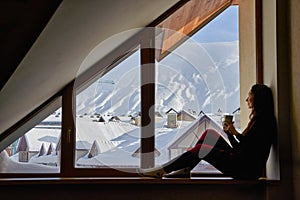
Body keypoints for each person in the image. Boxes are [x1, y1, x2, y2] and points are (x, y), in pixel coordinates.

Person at [137, 84, 277, 180]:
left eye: (250, 95)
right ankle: (186, 169)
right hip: (242, 163)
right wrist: (229, 133)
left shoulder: (264, 123)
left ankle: (161, 170)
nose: (247, 99)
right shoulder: (258, 121)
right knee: (209, 134)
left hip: (245, 171)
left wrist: (235, 134)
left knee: (203, 149)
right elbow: (242, 149)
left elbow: (246, 151)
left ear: (258, 99)